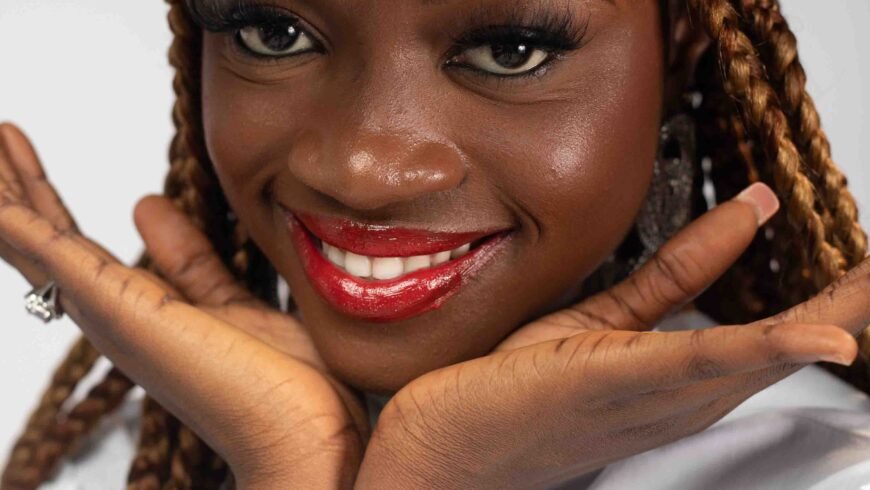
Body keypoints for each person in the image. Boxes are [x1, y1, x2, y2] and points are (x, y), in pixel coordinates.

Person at [0, 0, 868, 488]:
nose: (362, 169)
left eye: (509, 51)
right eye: (274, 33)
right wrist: (298, 462)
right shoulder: (118, 456)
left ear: (677, 54)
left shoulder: (826, 469)